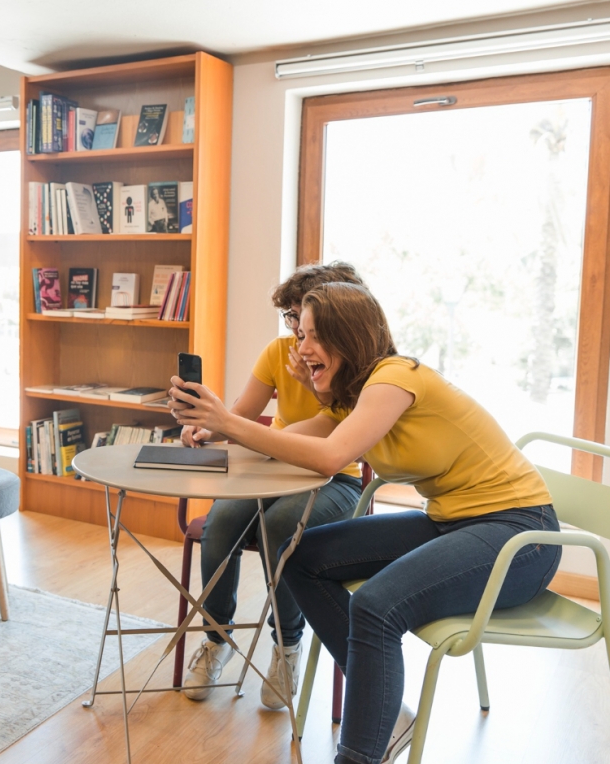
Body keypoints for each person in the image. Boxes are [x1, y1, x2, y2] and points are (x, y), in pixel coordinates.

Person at [170, 282, 561, 764]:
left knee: (376, 606)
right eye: (299, 334)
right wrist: (211, 429)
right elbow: (288, 438)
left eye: (313, 336)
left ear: (349, 338)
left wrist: (231, 424)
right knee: (302, 557)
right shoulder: (349, 400)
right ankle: (386, 712)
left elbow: (331, 456)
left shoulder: (394, 379)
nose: (300, 348)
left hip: (521, 535)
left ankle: (357, 755)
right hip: (450, 521)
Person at [177, 262, 367, 709]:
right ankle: (216, 639)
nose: (299, 335)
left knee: (280, 528)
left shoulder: (357, 364)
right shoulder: (277, 352)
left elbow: (325, 434)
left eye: (306, 322)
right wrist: (207, 427)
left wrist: (317, 388)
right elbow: (242, 415)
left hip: (334, 478)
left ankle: (286, 646)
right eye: (293, 321)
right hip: (273, 466)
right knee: (220, 522)